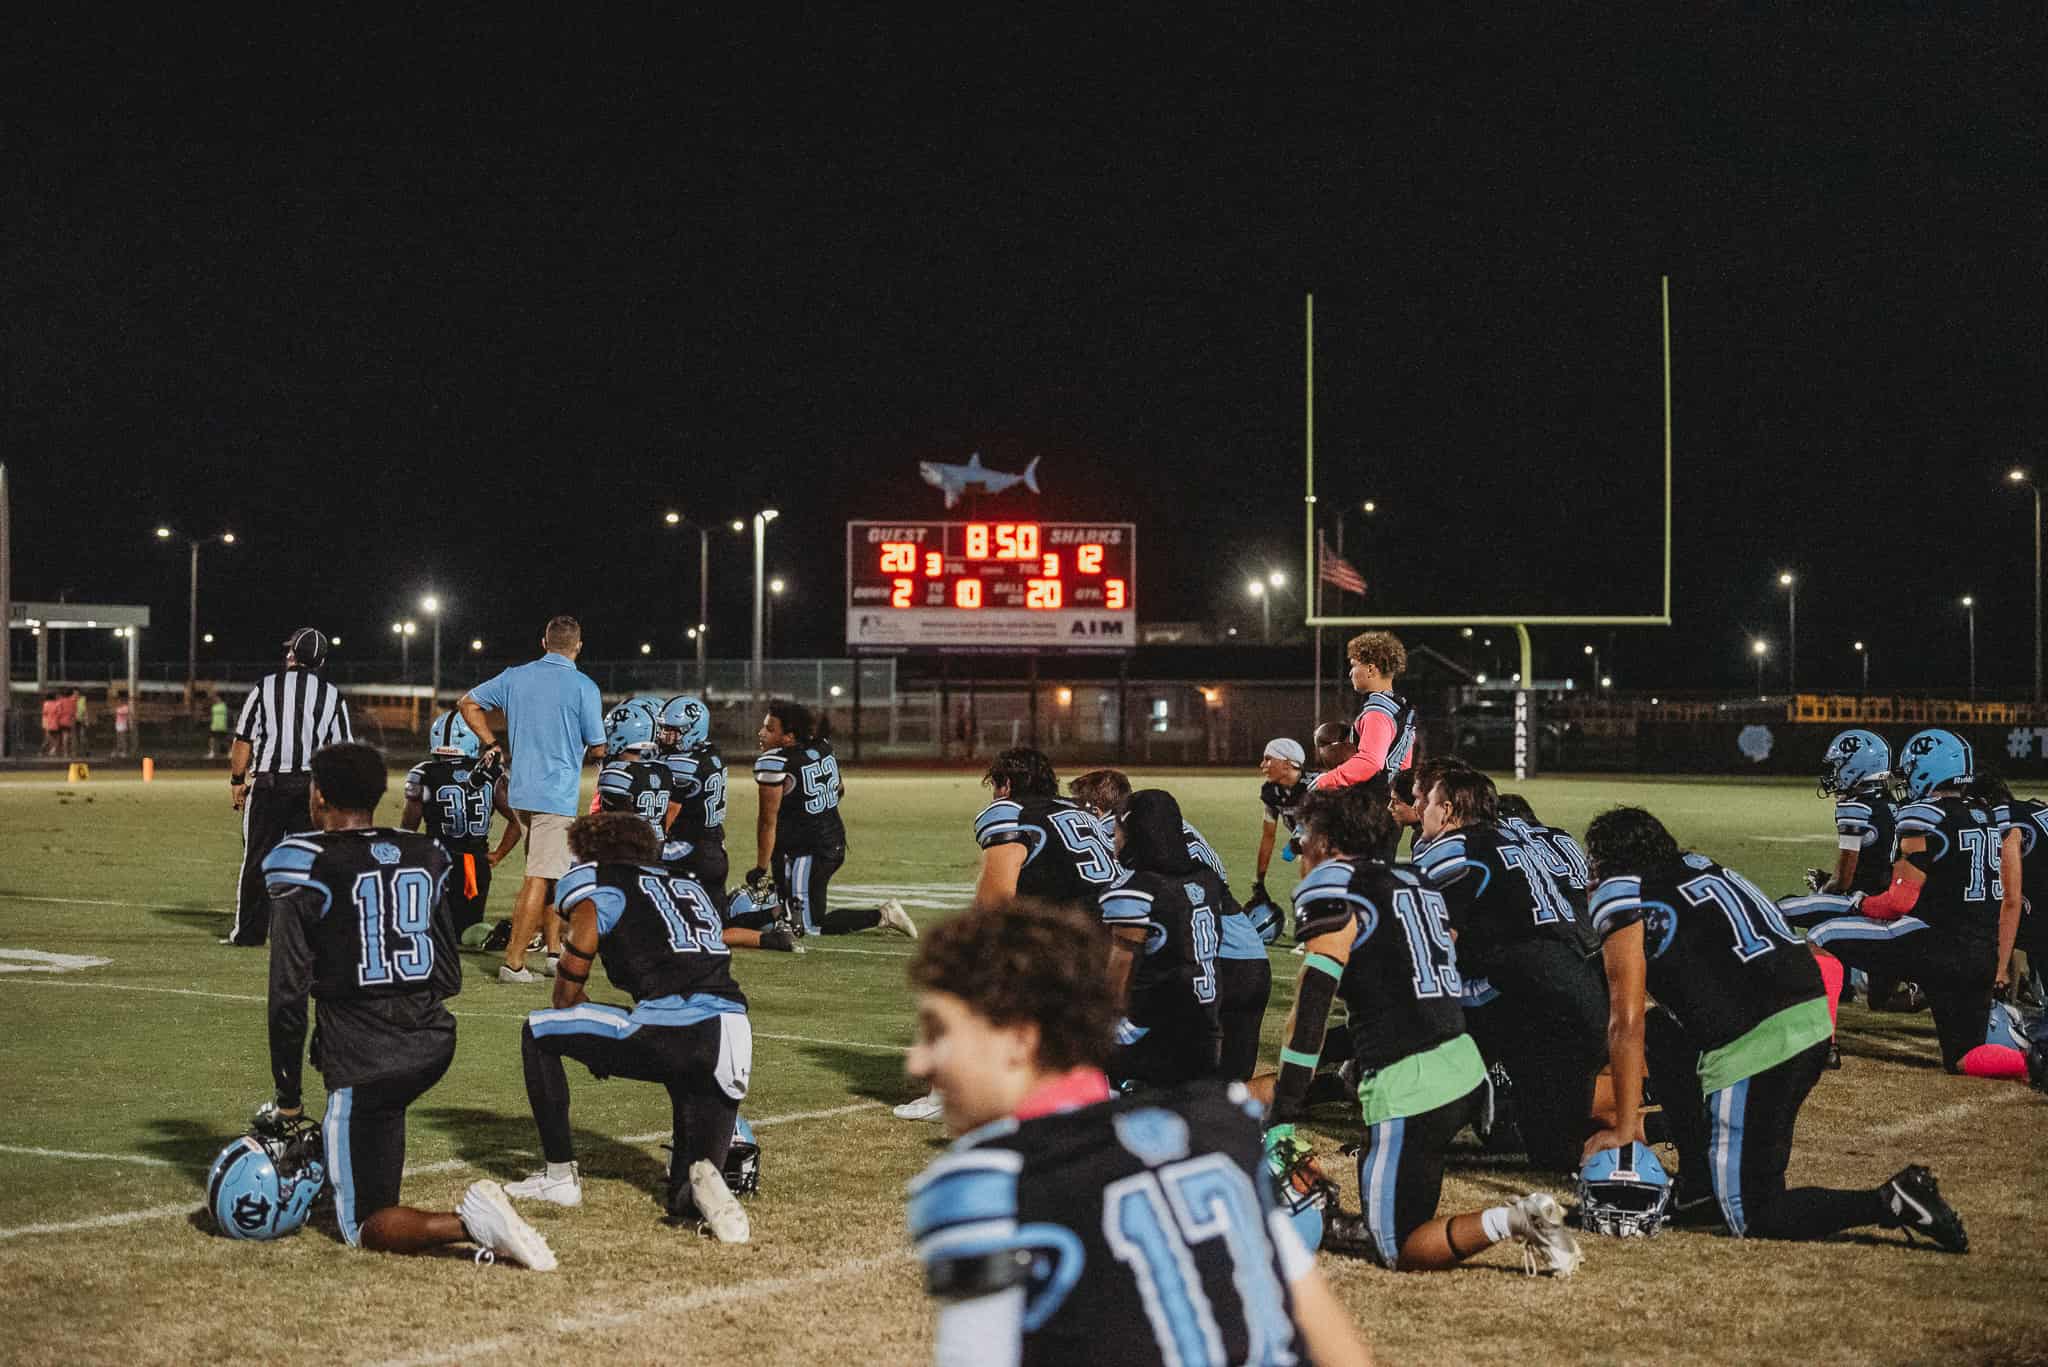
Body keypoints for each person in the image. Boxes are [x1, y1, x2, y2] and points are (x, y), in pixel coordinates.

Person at [903, 897, 1372, 1367]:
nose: (917, 1061)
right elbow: (1332, 1340)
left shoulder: (988, 1187)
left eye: (937, 1032)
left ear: (1019, 1039)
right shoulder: (1217, 1126)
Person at [1583, 804, 1968, 1249]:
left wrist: (1626, 1125)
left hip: (1759, 1041)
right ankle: (1698, 1180)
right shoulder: (1698, 868)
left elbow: (1624, 1021)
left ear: (1610, 864)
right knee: (1665, 1033)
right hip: (1807, 1016)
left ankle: (1891, 1201)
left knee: (1753, 1212)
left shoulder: (1622, 890)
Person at [1263, 785, 1582, 1276]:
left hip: (1409, 1085)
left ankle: (1518, 1219)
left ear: (1326, 840)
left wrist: (1286, 1107)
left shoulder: (1331, 883)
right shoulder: (1412, 875)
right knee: (1401, 1206)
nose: (1299, 848)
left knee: (1398, 1248)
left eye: (1304, 834)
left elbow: (1311, 1005)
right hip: (1461, 1062)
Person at [260, 741, 556, 1268]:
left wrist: (288, 1096)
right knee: (379, 1129)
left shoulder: (301, 859)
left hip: (365, 1056)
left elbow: (288, 995)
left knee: (362, 1226)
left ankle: (473, 1223)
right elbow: (447, 971)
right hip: (432, 1042)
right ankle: (374, 1178)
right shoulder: (424, 852)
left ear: (318, 794)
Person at [504, 813, 753, 1241]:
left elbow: (566, 992)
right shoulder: (686, 883)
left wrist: (590, 1043)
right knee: (685, 1189)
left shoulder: (598, 881)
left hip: (668, 1027)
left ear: (587, 851)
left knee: (539, 1030)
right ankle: (706, 1193)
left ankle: (560, 1177)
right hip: (731, 1032)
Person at [895, 747, 1123, 1121]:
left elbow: (994, 902)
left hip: (1077, 934)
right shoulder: (1079, 810)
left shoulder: (1008, 812)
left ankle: (946, 1093)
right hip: (1120, 926)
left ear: (1005, 785)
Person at [1412, 768, 1608, 1173]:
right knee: (1552, 1152)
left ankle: (1417, 1130)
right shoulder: (1517, 840)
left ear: (1447, 810)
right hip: (1578, 987)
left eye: (1427, 802)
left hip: (1531, 995)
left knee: (1417, 1020)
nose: (1421, 811)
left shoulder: (1452, 848)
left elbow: (1435, 947)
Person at [1801, 729, 2018, 1072]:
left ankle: (1821, 1045)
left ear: (1927, 770)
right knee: (1965, 1057)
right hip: (1981, 956)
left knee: (1821, 936)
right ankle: (2035, 1064)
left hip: (1934, 943)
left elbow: (1899, 901)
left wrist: (1860, 903)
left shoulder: (1923, 816)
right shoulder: (1986, 816)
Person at [1070, 767, 1273, 1082]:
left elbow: (1129, 917)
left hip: (1205, 964)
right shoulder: (1173, 829)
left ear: (1094, 810)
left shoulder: (1117, 836)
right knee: (1229, 1089)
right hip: (1249, 956)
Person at [457, 616, 607, 984]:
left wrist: (491, 743)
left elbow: (467, 703)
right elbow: (599, 746)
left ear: (544, 642)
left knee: (554, 875)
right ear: (578, 646)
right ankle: (514, 963)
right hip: (554, 795)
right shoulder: (583, 686)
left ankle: (555, 953)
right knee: (539, 877)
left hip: (521, 791)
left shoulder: (515, 676)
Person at [226, 628, 353, 947]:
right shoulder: (332, 695)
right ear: (321, 661)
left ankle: (251, 933)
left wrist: (237, 781)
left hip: (269, 785)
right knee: (311, 859)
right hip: (311, 789)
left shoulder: (265, 687)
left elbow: (243, 740)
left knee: (257, 859)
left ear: (292, 655)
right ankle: (307, 932)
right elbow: (343, 752)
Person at [749, 698, 915, 939]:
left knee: (805, 927)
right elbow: (839, 790)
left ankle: (883, 915)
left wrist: (760, 868)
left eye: (770, 729)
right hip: (829, 840)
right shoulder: (821, 747)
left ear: (789, 737)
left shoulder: (776, 763)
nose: (761, 732)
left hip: (808, 851)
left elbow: (767, 822)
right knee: (789, 912)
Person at [1099, 790, 1225, 1088]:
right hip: (1206, 1025)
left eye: (1117, 829)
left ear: (1135, 832)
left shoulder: (1136, 889)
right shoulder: (1205, 879)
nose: (1113, 839)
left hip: (1156, 1031)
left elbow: (1117, 982)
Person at [401, 710, 523, 937]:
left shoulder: (423, 772)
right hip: (473, 865)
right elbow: (518, 821)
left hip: (437, 861)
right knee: (467, 930)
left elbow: (409, 827)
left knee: (433, 928)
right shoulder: (490, 773)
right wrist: (498, 854)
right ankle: (487, 936)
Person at [1312, 632, 1418, 825]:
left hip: (1371, 808)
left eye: (1353, 665)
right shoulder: (1401, 707)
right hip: (1390, 804)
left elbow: (1370, 761)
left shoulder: (1377, 711)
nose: (1351, 673)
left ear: (1370, 669)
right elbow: (1405, 765)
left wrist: (1325, 781)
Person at [655, 695, 730, 901]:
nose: (664, 735)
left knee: (634, 860)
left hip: (691, 849)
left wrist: (655, 841)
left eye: (672, 730)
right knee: (716, 918)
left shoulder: (682, 762)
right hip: (716, 845)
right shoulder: (712, 753)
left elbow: (671, 810)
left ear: (691, 729)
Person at [595, 700, 678, 839]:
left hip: (626, 849)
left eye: (610, 731)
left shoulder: (617, 773)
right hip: (655, 848)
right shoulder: (663, 770)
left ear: (621, 735)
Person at [1253, 737, 1315, 906]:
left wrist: (1301, 836)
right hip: (1306, 847)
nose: (1262, 765)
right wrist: (1259, 881)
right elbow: (1268, 836)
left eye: (1268, 759)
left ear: (1287, 763)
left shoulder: (1317, 784)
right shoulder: (1271, 791)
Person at [209, 690, 231, 760]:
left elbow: (228, 716)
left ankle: (230, 753)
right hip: (214, 727)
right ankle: (213, 753)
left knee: (224, 741)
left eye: (216, 698)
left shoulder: (224, 706)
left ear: (219, 698)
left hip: (222, 727)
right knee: (213, 740)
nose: (214, 699)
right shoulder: (213, 707)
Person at [112, 691, 132, 759]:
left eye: (120, 701)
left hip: (123, 725)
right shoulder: (118, 708)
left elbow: (123, 713)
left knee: (123, 739)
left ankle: (124, 752)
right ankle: (119, 752)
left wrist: (117, 710)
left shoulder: (126, 707)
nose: (118, 702)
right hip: (118, 725)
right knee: (118, 739)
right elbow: (116, 713)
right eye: (118, 701)